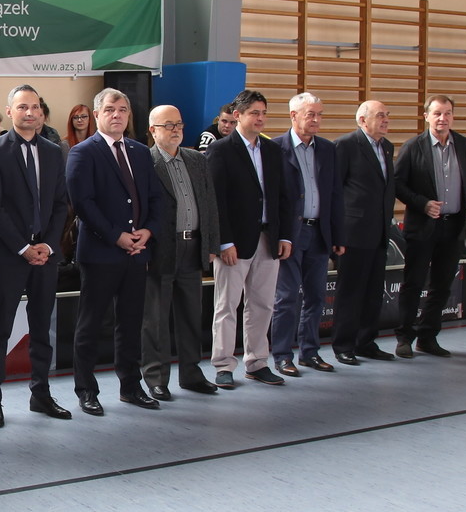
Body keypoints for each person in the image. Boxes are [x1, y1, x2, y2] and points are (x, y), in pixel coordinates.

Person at [64, 87, 165, 413]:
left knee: (131, 323)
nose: (117, 115)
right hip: (100, 253)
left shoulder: (140, 152)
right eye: (110, 109)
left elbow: (155, 197)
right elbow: (83, 203)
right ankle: (86, 390)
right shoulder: (83, 152)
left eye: (122, 109)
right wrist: (116, 236)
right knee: (91, 324)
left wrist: (148, 231)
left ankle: (130, 386)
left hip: (137, 252)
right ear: (97, 115)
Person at [0, 85, 71, 426]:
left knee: (41, 328)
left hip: (46, 255)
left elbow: (60, 203)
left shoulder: (53, 151)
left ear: (42, 112)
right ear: (9, 111)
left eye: (35, 107)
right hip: (8, 255)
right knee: (0, 329)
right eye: (22, 107)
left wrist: (48, 245)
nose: (29, 112)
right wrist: (23, 248)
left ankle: (41, 394)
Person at [392, 94, 466, 358]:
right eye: (437, 113)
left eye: (447, 113)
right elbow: (397, 184)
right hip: (422, 226)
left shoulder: (465, 146)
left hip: (453, 226)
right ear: (426, 116)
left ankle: (428, 337)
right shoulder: (413, 147)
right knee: (414, 283)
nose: (442, 118)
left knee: (442, 285)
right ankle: (404, 337)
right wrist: (422, 203)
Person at [206, 89, 295, 388]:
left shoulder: (272, 150)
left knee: (262, 304)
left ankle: (257, 362)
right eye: (254, 113)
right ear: (237, 115)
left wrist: (285, 235)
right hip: (234, 241)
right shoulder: (221, 150)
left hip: (269, 237)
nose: (260, 118)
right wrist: (224, 242)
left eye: (263, 113)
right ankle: (223, 364)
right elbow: (216, 201)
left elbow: (283, 197)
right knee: (227, 306)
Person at [140, 104, 221, 399]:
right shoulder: (144, 162)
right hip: (160, 249)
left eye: (179, 124)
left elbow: (209, 203)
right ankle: (156, 378)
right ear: (153, 130)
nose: (175, 130)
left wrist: (211, 245)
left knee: (190, 316)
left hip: (193, 246)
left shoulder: (196, 159)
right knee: (155, 319)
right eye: (168, 125)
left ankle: (191, 374)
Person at [269, 92, 346, 377]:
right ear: (293, 116)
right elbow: (272, 198)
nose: (316, 119)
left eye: (319, 114)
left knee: (316, 296)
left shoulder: (327, 149)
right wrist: (279, 235)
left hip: (320, 233)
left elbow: (335, 194)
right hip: (290, 235)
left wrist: (338, 235)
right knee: (286, 297)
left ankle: (310, 352)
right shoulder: (275, 148)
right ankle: (282, 355)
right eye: (310, 114)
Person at [330, 100, 398, 365]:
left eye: (387, 115)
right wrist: (337, 233)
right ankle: (343, 345)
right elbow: (334, 191)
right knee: (350, 292)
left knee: (373, 291)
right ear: (362, 120)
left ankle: (366, 342)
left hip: (379, 231)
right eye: (380, 115)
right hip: (353, 232)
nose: (386, 120)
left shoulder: (387, 146)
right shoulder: (346, 145)